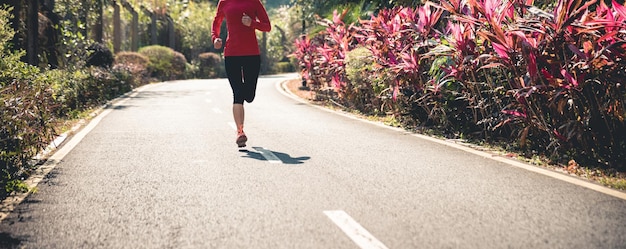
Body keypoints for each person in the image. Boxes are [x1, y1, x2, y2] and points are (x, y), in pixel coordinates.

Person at [212, 0, 271, 148]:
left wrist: (252, 23)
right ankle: (240, 132)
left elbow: (267, 26)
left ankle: (240, 127)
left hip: (252, 54)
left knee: (249, 96)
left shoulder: (254, 2)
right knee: (237, 93)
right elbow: (216, 22)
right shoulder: (224, 2)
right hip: (231, 54)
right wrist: (215, 38)